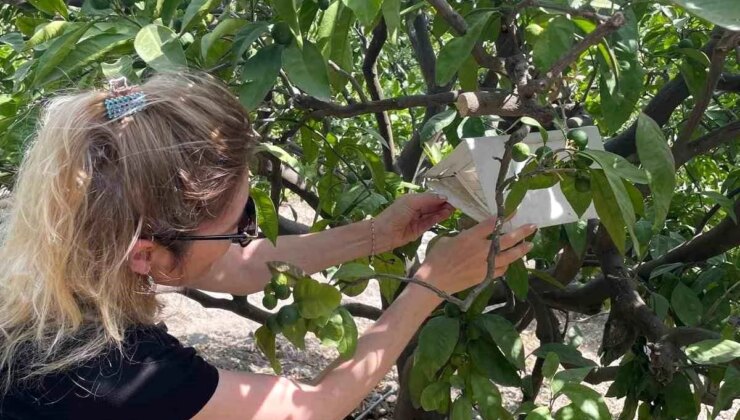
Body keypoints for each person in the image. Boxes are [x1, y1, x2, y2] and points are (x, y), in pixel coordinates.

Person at [0, 72, 536, 420]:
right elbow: (314, 409)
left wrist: (379, 233)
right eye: (239, 224)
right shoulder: (121, 377)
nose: (248, 236)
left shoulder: (56, 275)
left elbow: (236, 268)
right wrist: (429, 286)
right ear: (147, 255)